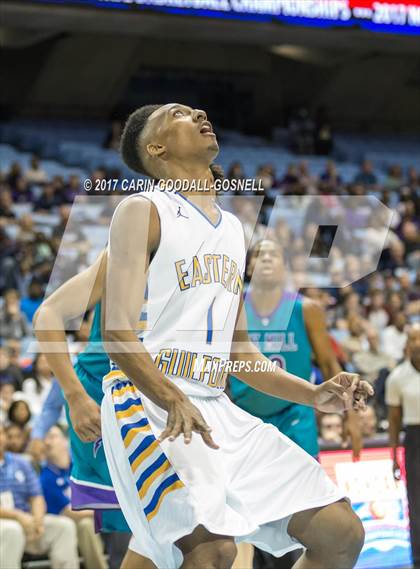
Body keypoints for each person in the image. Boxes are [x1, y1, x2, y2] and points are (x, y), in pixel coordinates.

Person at [97, 103, 371, 569]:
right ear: (156, 147)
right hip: (149, 401)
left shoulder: (232, 229)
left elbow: (240, 353)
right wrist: (171, 397)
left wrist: (313, 394)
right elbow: (116, 332)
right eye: (178, 114)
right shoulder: (142, 210)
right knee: (211, 552)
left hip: (215, 406)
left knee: (340, 532)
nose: (200, 112)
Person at [230, 239, 362, 459]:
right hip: (246, 415)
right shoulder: (234, 306)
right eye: (259, 254)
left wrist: (352, 419)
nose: (266, 258)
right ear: (249, 267)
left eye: (274, 254)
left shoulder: (306, 309)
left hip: (295, 413)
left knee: (307, 491)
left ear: (285, 267)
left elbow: (329, 364)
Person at [0, 424, 79, 569]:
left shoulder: (21, 463)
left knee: (64, 526)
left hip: (27, 521)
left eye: (0, 433)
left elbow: (36, 496)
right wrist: (18, 516)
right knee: (13, 530)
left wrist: (38, 520)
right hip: (7, 523)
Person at [40, 426, 108, 569]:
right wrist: (105, 511)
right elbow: (70, 512)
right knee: (86, 525)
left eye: (52, 436)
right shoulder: (46, 477)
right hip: (67, 521)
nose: (47, 442)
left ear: (65, 441)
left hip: (92, 514)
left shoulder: (79, 466)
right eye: (45, 439)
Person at [386, 324, 420, 569]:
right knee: (416, 502)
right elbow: (394, 421)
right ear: (407, 345)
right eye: (413, 339)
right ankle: (418, 558)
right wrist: (393, 457)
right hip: (414, 439)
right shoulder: (397, 377)